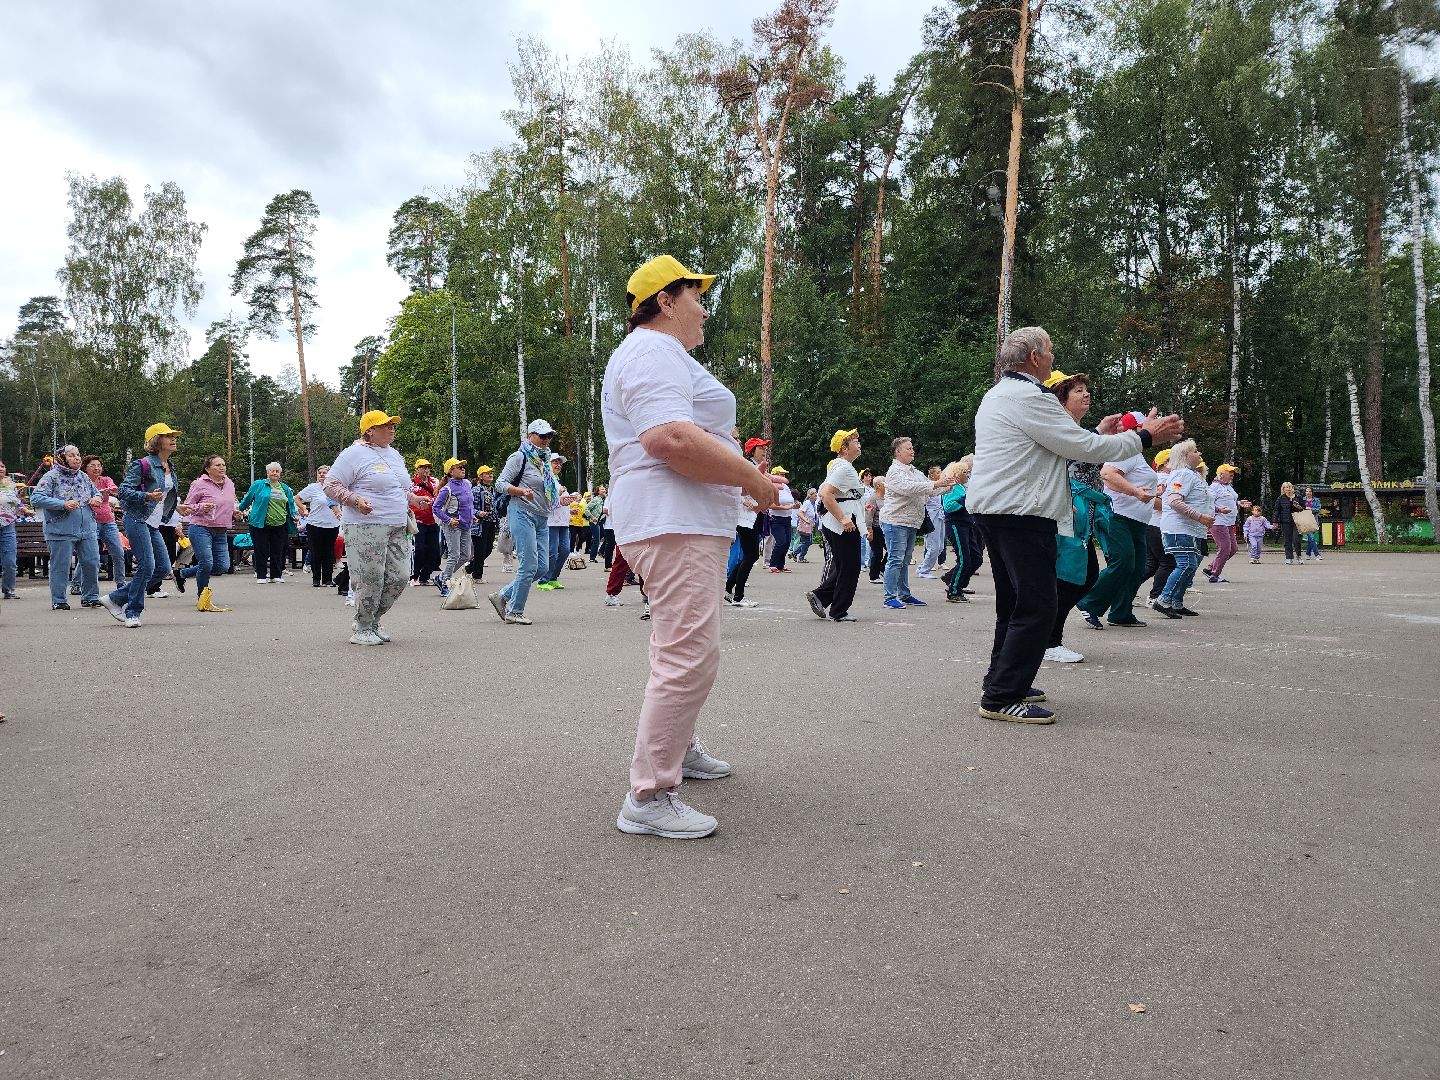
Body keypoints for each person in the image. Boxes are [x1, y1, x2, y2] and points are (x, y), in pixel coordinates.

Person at [603, 254, 775, 840]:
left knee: (680, 647)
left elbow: (687, 436)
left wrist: (744, 479)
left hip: (676, 515)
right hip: (671, 517)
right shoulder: (652, 350)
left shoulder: (661, 354)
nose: (705, 308)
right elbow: (669, 437)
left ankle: (678, 747)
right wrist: (751, 479)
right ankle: (649, 795)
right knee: (688, 653)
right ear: (667, 301)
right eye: (696, 296)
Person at [966, 327, 1182, 724]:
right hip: (1021, 513)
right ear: (1034, 358)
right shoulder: (1030, 396)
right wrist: (1145, 436)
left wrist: (1099, 433)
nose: (1052, 357)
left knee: (1014, 604)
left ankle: (1002, 680)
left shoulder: (999, 395)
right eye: (1048, 351)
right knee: (1037, 604)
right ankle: (1000, 696)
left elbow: (1056, 447)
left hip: (999, 510)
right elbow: (1084, 450)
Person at [323, 410, 433, 645]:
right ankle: (362, 627)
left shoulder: (394, 454)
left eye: (393, 425)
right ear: (369, 431)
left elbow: (396, 488)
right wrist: (355, 500)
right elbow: (330, 485)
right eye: (386, 425)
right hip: (366, 526)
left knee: (400, 576)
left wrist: (413, 499)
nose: (392, 429)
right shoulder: (353, 454)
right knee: (370, 577)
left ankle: (373, 619)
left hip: (397, 525)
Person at [1039, 372, 1113, 661]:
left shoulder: (1076, 428)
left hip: (1080, 515)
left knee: (1079, 577)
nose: (1086, 394)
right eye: (1078, 390)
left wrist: (1099, 432)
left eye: (1086, 389)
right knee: (1071, 578)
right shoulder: (1058, 426)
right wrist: (1099, 433)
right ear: (1061, 398)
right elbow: (1070, 457)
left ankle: (1049, 639)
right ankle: (1048, 642)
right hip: (1066, 511)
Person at [99, 423, 186, 629]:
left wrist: (178, 508)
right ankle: (132, 611)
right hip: (137, 518)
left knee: (164, 567)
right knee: (147, 566)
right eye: (168, 436)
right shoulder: (143, 464)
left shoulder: (170, 467)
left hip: (153, 523)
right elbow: (122, 491)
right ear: (157, 441)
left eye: (174, 436)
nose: (173, 439)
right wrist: (145, 495)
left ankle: (116, 598)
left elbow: (165, 498)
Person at [1076, 408, 1156, 630]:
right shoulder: (1128, 452)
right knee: (1123, 562)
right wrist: (1136, 492)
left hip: (1136, 521)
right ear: (1138, 429)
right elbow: (1108, 474)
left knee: (1137, 567)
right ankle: (1089, 603)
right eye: (1149, 425)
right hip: (1118, 516)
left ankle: (1121, 612)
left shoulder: (1137, 455)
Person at [489, 419, 565, 625]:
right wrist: (520, 491)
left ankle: (503, 595)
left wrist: (557, 494)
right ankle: (514, 611)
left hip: (542, 516)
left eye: (549, 436)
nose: (546, 440)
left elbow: (545, 487)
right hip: (522, 512)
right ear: (530, 435)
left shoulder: (544, 460)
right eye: (542, 436)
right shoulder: (520, 457)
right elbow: (500, 484)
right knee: (529, 564)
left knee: (542, 567)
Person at [879, 437, 954, 610]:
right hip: (895, 521)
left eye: (912, 448)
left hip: (911, 522)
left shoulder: (913, 471)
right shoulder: (894, 471)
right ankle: (889, 597)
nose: (912, 451)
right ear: (898, 452)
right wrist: (936, 483)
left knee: (904, 560)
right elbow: (909, 488)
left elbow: (930, 488)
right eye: (908, 448)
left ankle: (904, 594)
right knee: (896, 559)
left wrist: (949, 484)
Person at [30, 445, 102, 611]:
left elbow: (96, 492)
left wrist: (96, 499)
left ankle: (90, 597)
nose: (76, 458)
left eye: (78, 455)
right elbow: (36, 498)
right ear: (62, 458)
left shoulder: (83, 476)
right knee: (60, 566)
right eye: (71, 456)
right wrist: (62, 504)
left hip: (87, 528)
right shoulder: (51, 477)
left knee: (92, 562)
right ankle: (59, 600)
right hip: (59, 530)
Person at [806, 429, 866, 623]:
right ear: (844, 448)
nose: (859, 444)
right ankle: (839, 611)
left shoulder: (841, 466)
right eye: (855, 442)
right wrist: (843, 519)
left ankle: (820, 597)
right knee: (850, 568)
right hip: (844, 524)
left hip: (838, 523)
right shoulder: (844, 468)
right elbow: (825, 494)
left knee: (843, 566)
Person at [1152, 439, 1213, 617]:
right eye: (1195, 451)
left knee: (1191, 566)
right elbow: (1174, 501)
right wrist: (1200, 516)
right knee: (1186, 564)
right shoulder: (1182, 474)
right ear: (1185, 456)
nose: (1199, 454)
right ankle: (1163, 600)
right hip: (1180, 528)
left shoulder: (1193, 475)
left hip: (1192, 529)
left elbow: (1200, 501)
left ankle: (1176, 602)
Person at [174, 454, 242, 611]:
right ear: (207, 469)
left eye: (223, 464)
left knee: (223, 566)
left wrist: (234, 512)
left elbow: (228, 504)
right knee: (206, 563)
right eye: (217, 465)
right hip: (200, 528)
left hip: (221, 529)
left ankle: (182, 573)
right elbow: (187, 506)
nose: (222, 467)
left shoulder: (229, 483)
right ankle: (202, 598)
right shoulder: (199, 484)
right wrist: (200, 507)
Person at [724, 438, 771, 608]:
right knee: (751, 555)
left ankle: (728, 588)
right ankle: (738, 596)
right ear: (752, 450)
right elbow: (736, 488)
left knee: (749, 555)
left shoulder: (758, 468)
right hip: (745, 517)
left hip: (753, 517)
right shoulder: (747, 465)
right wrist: (745, 500)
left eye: (764, 448)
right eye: (761, 448)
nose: (764, 451)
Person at [237, 463, 297, 583]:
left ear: (280, 474)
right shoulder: (258, 484)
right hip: (260, 522)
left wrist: (293, 514)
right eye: (272, 471)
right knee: (261, 549)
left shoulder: (284, 487)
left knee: (278, 550)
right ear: (267, 472)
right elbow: (248, 499)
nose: (274, 473)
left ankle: (276, 575)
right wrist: (239, 510)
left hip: (280, 523)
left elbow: (290, 502)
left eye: (277, 471)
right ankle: (261, 575)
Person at [78, 455, 127, 594]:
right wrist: (98, 493)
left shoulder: (105, 480)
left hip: (108, 521)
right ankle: (77, 583)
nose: (97, 468)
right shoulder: (82, 481)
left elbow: (114, 488)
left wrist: (111, 489)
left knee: (118, 552)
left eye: (99, 465)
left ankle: (120, 583)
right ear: (85, 468)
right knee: (88, 554)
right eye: (92, 465)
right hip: (90, 521)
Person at [940, 457, 980, 603]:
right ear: (957, 474)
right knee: (965, 559)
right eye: (965, 472)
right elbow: (949, 506)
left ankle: (954, 580)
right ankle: (954, 590)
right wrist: (966, 499)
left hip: (967, 525)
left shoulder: (961, 487)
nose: (968, 475)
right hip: (956, 525)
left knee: (976, 558)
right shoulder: (952, 487)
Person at [432, 457, 473, 597]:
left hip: (466, 525)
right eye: (459, 467)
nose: (463, 469)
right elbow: (435, 508)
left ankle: (442, 576)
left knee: (465, 556)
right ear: (450, 471)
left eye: (463, 466)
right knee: (454, 555)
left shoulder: (467, 484)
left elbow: (469, 504)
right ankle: (444, 582)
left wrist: (472, 515)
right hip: (452, 526)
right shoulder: (447, 489)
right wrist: (449, 520)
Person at [296, 466, 341, 588]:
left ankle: (327, 579)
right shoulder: (313, 488)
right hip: (315, 524)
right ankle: (316, 579)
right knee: (316, 552)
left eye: (324, 473)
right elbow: (298, 498)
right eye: (319, 473)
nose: (322, 474)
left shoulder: (336, 488)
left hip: (332, 524)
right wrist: (304, 508)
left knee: (328, 552)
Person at [536, 455, 573, 591]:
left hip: (563, 522)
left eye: (559, 463)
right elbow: (543, 501)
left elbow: (561, 502)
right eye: (555, 462)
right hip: (551, 522)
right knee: (552, 551)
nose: (558, 465)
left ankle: (553, 578)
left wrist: (571, 506)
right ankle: (543, 580)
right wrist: (559, 494)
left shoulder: (556, 481)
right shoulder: (545, 480)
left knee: (565, 550)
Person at [1143, 449, 1174, 608]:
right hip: (1158, 526)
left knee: (1152, 565)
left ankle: (1123, 589)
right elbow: (1153, 502)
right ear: (1165, 463)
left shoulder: (1162, 477)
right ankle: (1155, 597)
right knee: (1167, 562)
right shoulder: (1163, 478)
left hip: (1153, 525)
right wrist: (1172, 508)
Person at [1203, 464, 1244, 582]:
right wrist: (1219, 510)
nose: (1232, 474)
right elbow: (1208, 503)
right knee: (1225, 549)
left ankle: (1211, 568)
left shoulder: (1228, 486)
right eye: (1229, 472)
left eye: (1233, 472)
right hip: (1218, 522)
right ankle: (1214, 575)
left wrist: (1239, 503)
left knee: (1233, 549)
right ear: (1221, 474)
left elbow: (1229, 500)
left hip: (1229, 522)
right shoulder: (1214, 487)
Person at [409, 459, 441, 585]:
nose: (426, 470)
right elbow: (408, 500)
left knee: (434, 549)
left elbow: (439, 497)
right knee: (420, 549)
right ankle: (414, 575)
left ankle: (425, 576)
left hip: (433, 519)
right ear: (417, 469)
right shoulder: (411, 484)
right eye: (423, 467)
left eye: (428, 467)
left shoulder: (435, 482)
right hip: (418, 520)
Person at [465, 466, 497, 582]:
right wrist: (478, 513)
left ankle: (469, 568)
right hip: (479, 524)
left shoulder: (491, 489)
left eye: (490, 473)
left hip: (491, 522)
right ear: (481, 476)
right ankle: (477, 576)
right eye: (487, 473)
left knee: (488, 549)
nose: (490, 475)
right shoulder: (475, 490)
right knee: (480, 550)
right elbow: (469, 508)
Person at [0, 460, 25, 599]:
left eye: (3, 466)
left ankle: (8, 590)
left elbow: (17, 501)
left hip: (8, 525)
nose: (1, 468)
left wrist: (24, 509)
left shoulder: (10, 483)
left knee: (9, 561)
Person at [765, 466, 798, 573]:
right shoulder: (771, 486)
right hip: (776, 518)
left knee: (787, 542)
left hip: (787, 518)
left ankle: (780, 564)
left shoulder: (786, 487)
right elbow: (770, 504)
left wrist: (794, 505)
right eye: (780, 474)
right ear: (774, 475)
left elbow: (789, 501)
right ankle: (772, 564)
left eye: (784, 474)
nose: (783, 476)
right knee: (781, 541)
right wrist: (784, 507)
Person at [917, 466, 947, 578]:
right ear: (932, 475)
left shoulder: (939, 487)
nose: (941, 473)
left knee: (941, 546)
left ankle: (923, 566)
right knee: (933, 546)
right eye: (938, 472)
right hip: (931, 517)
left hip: (939, 516)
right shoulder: (928, 486)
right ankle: (924, 570)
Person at [1274, 482, 1304, 565]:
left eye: (1290, 487)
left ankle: (1299, 556)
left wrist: (1299, 507)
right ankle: (1289, 557)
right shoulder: (1280, 498)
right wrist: (1275, 521)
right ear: (1283, 489)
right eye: (1286, 487)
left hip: (1297, 521)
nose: (1288, 488)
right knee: (1287, 541)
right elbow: (1276, 510)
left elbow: (1304, 508)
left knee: (1296, 539)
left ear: (1292, 488)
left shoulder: (1298, 497)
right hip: (1285, 521)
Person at [864, 476, 887, 583]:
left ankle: (882, 567)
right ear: (878, 486)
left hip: (886, 528)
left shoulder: (887, 497)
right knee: (877, 553)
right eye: (885, 482)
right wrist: (870, 531)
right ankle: (874, 576)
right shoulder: (872, 498)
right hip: (875, 528)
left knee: (892, 550)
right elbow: (869, 515)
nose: (887, 484)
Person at [793, 488, 820, 563]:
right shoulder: (807, 503)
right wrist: (805, 519)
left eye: (816, 493)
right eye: (814, 493)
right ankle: (801, 557)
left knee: (809, 542)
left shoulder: (814, 504)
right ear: (810, 495)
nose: (816, 494)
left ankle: (794, 553)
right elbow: (799, 513)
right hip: (804, 526)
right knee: (807, 542)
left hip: (810, 526)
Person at [1302, 485, 1323, 561]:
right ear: (1305, 492)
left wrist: (1310, 509)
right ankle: (1317, 554)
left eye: (1309, 491)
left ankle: (1307, 554)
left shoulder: (1316, 500)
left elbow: (1318, 509)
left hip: (1313, 521)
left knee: (1310, 539)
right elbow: (1300, 509)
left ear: (1312, 492)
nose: (1308, 493)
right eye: (1307, 491)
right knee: (1311, 538)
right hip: (1305, 521)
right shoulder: (1302, 500)